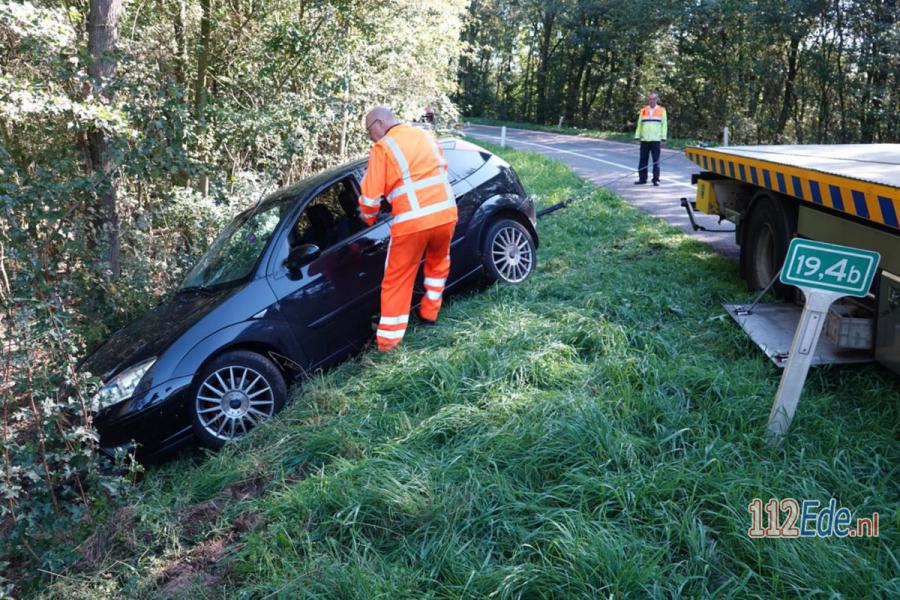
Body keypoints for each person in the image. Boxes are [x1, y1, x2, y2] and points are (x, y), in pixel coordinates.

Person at [358, 107, 458, 352]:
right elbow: (439, 171)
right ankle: (429, 316)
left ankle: (389, 343)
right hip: (446, 214)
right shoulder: (425, 135)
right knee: (438, 265)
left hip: (413, 222)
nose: (371, 137)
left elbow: (370, 199)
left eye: (370, 131)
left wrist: (366, 217)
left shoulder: (383, 148)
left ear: (380, 123)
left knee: (397, 280)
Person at [634, 92, 667, 186]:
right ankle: (642, 179)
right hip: (644, 140)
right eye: (650, 99)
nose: (651, 101)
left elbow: (664, 125)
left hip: (656, 140)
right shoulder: (643, 110)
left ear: (657, 99)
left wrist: (663, 138)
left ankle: (656, 179)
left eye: (653, 99)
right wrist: (637, 137)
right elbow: (639, 124)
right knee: (643, 160)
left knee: (656, 161)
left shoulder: (662, 110)